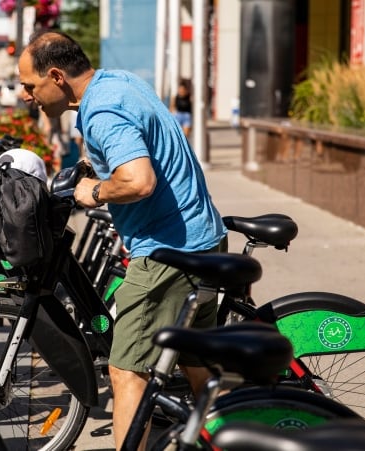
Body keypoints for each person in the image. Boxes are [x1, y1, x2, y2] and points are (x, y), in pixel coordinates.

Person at [18, 31, 227, 450]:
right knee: (196, 365)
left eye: (29, 85)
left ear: (56, 76)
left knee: (127, 372)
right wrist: (88, 168)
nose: (26, 96)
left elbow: (139, 180)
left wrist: (92, 192)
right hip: (201, 240)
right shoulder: (118, 82)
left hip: (171, 255)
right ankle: (231, 437)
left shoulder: (103, 110)